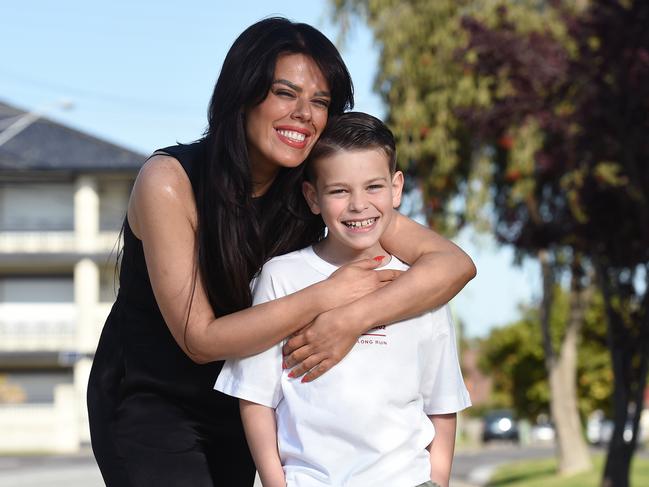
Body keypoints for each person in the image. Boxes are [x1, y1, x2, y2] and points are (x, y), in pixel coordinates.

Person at [87, 17, 476, 487]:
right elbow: (200, 339)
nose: (304, 114)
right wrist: (325, 298)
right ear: (243, 94)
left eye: (320, 101)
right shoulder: (170, 182)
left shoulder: (321, 192)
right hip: (154, 400)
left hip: (244, 401)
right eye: (285, 94)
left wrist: (353, 318)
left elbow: (452, 265)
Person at [215, 112, 471, 487]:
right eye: (339, 191)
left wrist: (439, 480)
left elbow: (442, 403)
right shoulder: (281, 277)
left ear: (396, 188)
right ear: (312, 197)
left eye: (373, 187)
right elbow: (255, 398)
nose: (358, 205)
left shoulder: (424, 286)